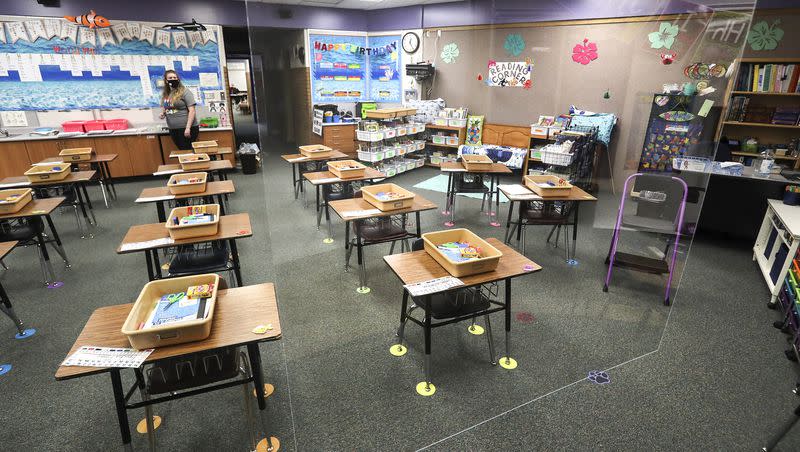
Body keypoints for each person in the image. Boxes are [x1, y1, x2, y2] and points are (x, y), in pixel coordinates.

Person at [159, 70, 199, 150]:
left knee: (187, 152)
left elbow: (192, 111)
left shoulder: (185, 91)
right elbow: (167, 108)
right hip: (173, 129)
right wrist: (163, 113)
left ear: (178, 79)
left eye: (175, 77)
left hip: (186, 128)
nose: (173, 79)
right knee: (182, 151)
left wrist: (188, 128)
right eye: (170, 78)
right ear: (166, 81)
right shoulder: (166, 93)